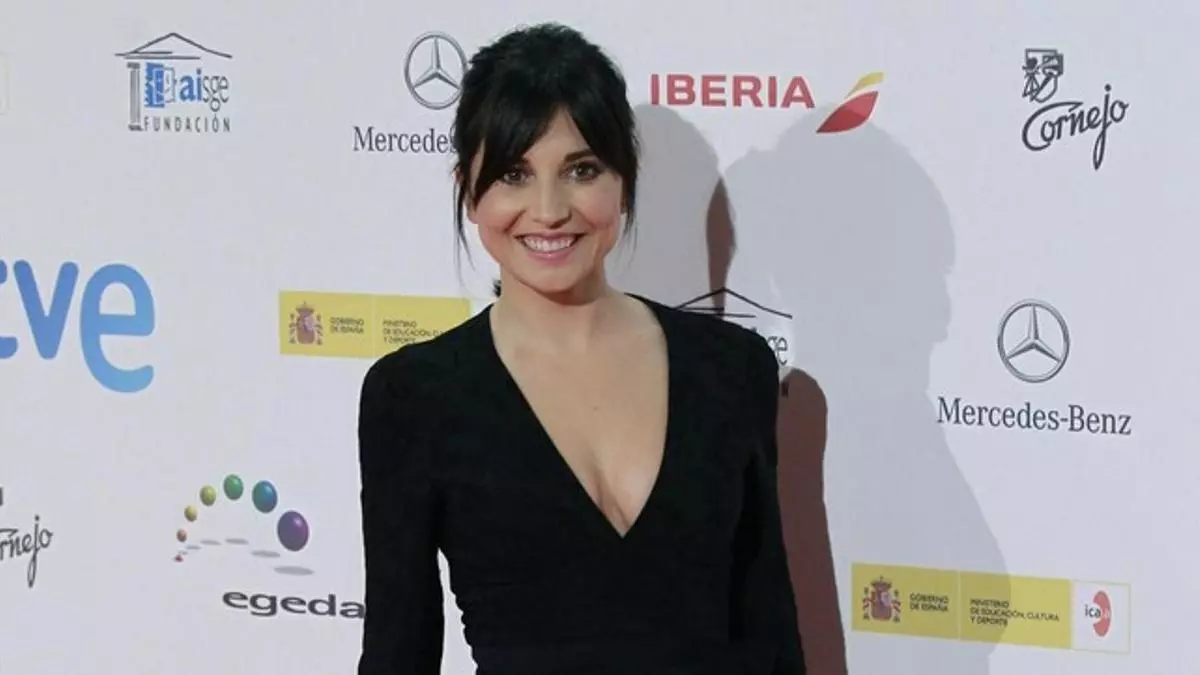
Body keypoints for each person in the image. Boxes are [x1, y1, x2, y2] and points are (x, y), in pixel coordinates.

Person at [356, 22, 805, 675]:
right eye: (514, 173)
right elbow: (398, 652)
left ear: (623, 178)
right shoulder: (414, 395)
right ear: (468, 190)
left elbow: (772, 631)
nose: (548, 209)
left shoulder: (732, 368)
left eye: (581, 170)